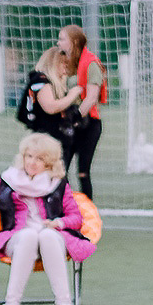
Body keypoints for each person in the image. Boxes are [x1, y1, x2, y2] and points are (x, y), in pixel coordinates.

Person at [0, 132, 94, 305]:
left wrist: (57, 223)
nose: (32, 162)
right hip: (18, 240)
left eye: (39, 159)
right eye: (29, 156)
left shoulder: (58, 184)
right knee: (29, 235)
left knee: (46, 235)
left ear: (49, 163)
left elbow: (76, 218)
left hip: (52, 241)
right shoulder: (9, 180)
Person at [58, 24, 106, 200]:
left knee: (83, 172)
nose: (58, 42)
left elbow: (92, 97)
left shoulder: (91, 63)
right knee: (60, 170)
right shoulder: (64, 62)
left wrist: (76, 116)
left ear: (74, 42)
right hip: (68, 122)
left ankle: (87, 213)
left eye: (62, 39)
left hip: (88, 123)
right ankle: (67, 208)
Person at [22, 46, 83, 167]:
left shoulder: (52, 83)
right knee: (51, 180)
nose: (66, 69)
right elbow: (50, 107)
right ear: (53, 63)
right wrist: (72, 95)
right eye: (64, 64)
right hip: (46, 141)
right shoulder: (40, 80)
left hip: (56, 141)